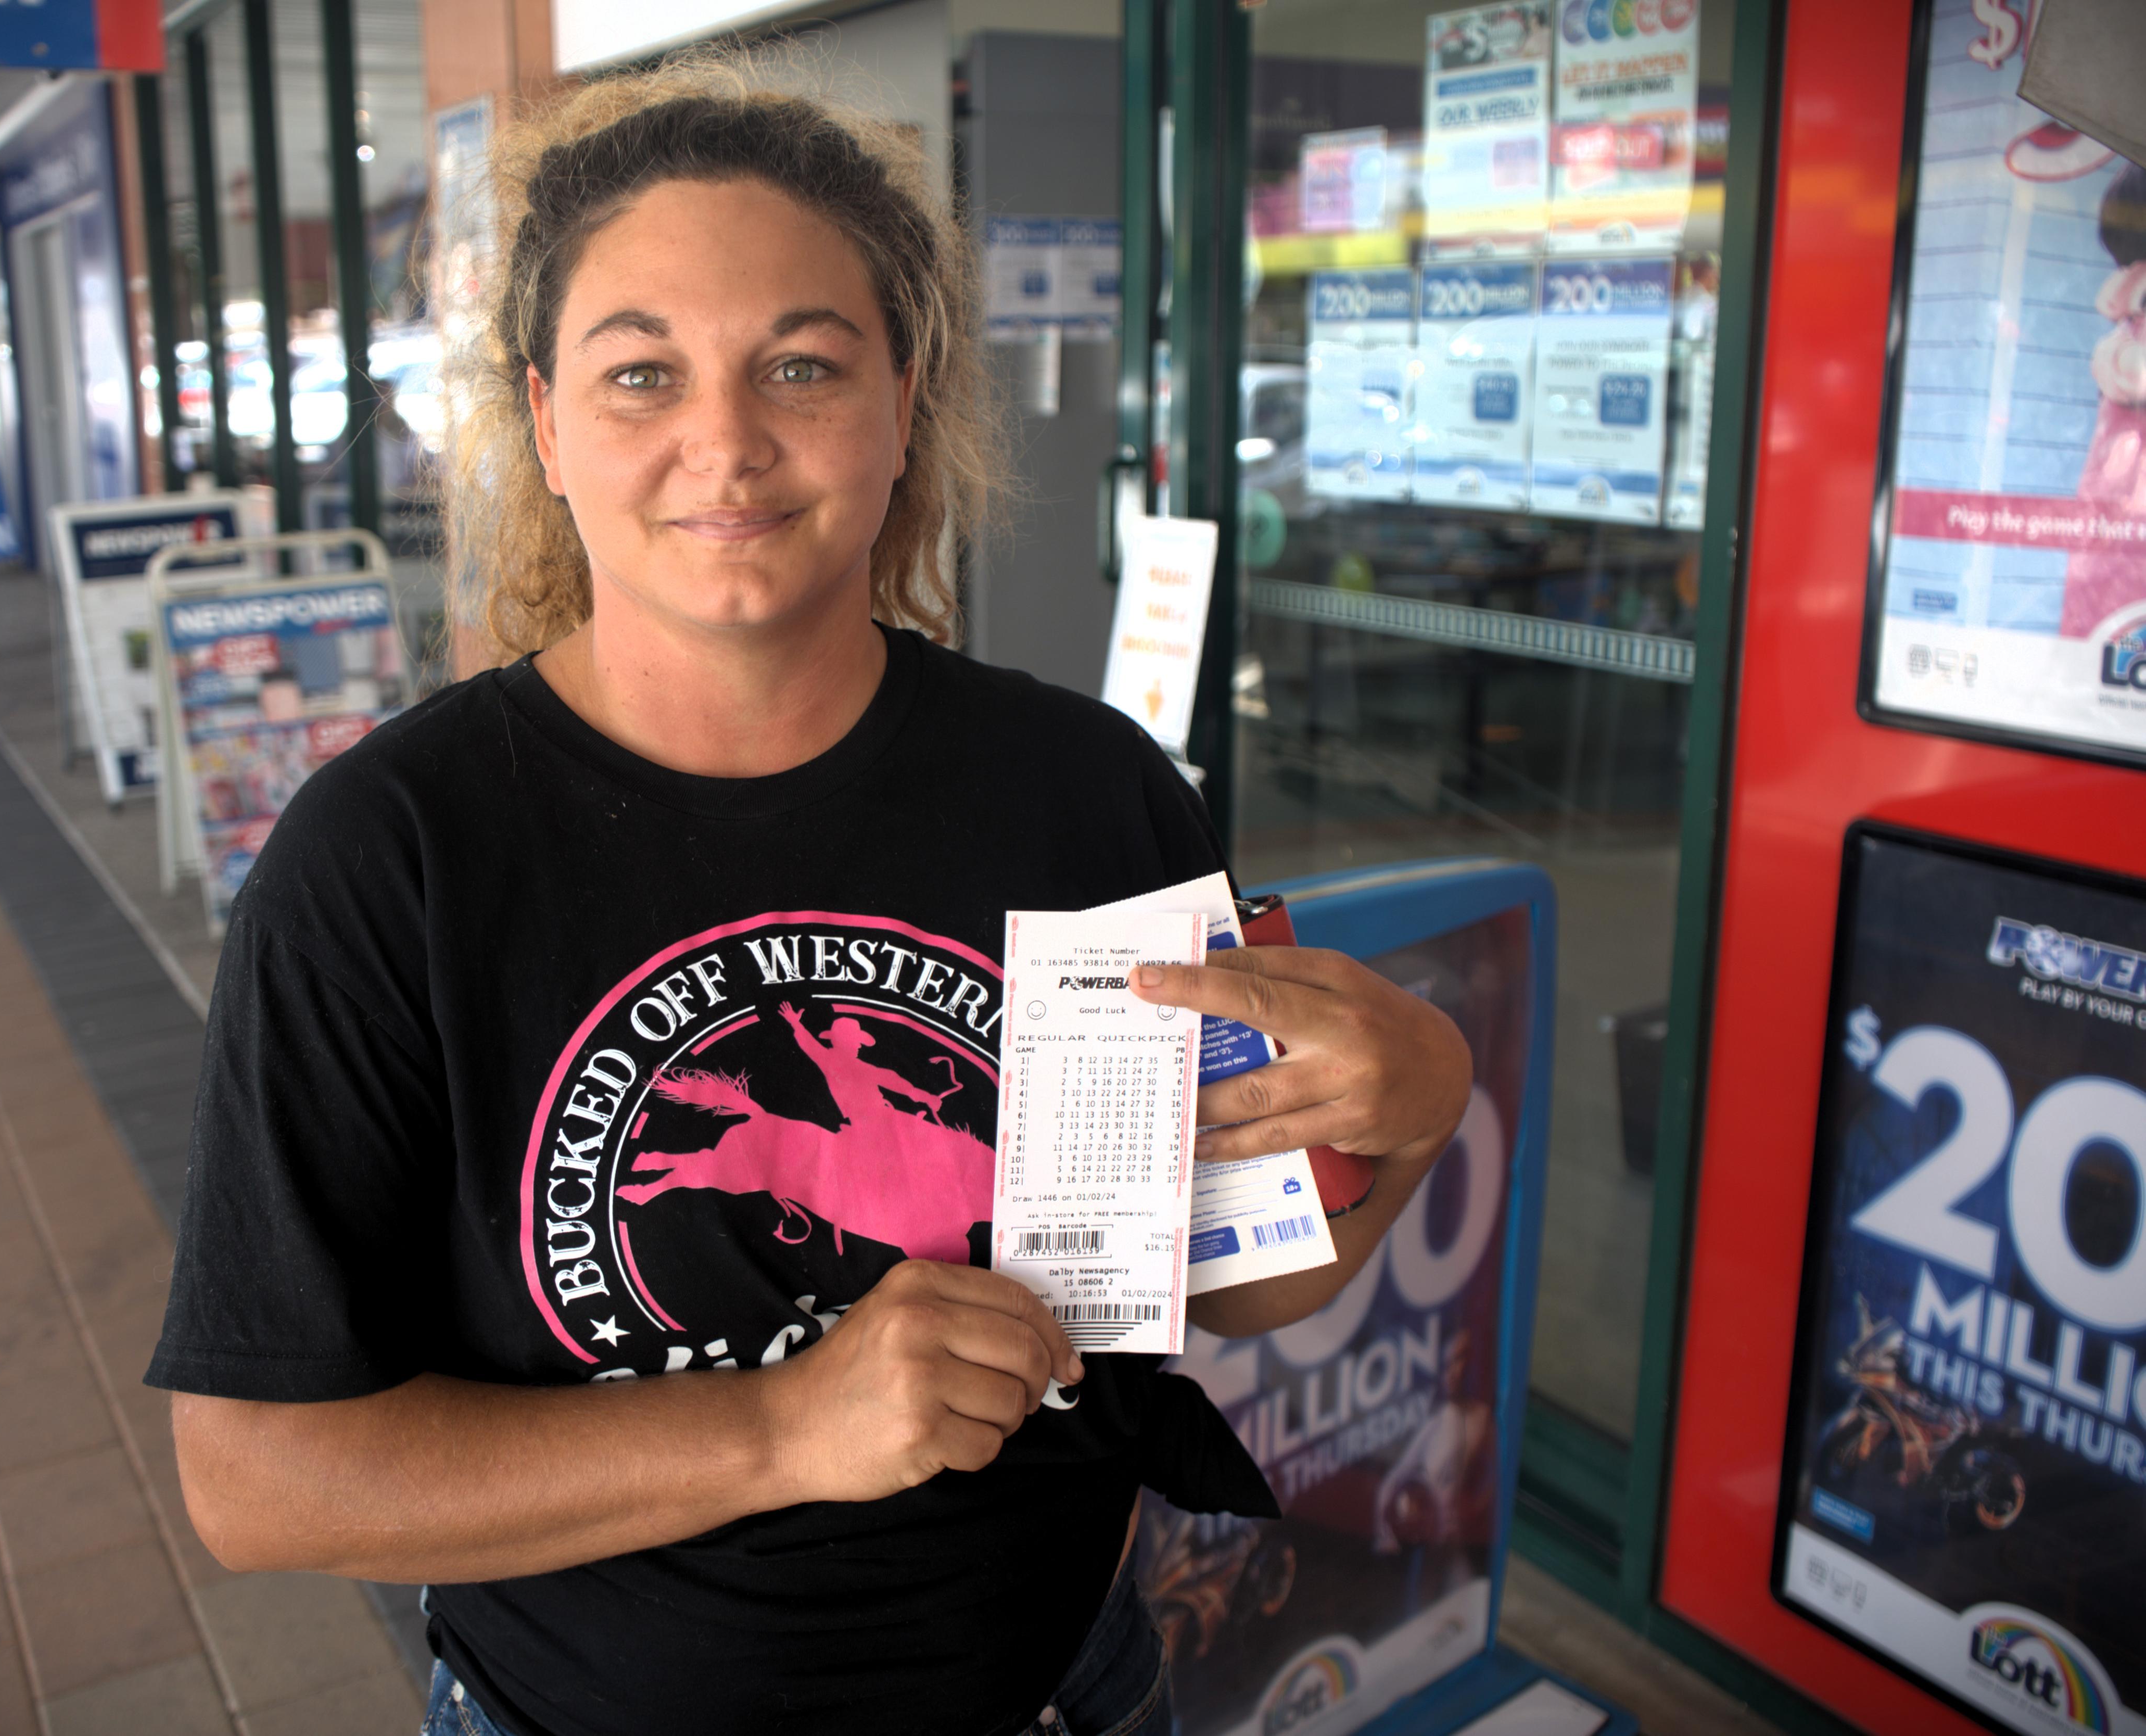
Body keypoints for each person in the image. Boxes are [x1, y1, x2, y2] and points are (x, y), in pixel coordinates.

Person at [147, 60, 1474, 1736]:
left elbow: (1209, 1278)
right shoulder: (385, 859)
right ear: (545, 423)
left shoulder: (1082, 790)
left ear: (901, 401)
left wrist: (1409, 1121)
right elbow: (263, 1476)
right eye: (641, 374)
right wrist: (784, 1426)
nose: (727, 441)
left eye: (800, 363)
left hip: (1068, 1688)